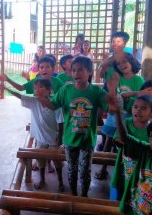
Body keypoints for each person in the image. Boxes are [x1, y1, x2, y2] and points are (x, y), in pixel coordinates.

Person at [38, 56, 108, 197]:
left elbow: (108, 108)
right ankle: (74, 195)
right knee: (72, 170)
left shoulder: (96, 91)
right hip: (70, 140)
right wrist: (41, 98)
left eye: (80, 70)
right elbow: (53, 105)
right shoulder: (66, 90)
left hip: (87, 140)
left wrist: (113, 96)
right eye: (73, 70)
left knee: (85, 171)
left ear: (90, 72)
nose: (76, 73)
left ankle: (83, 196)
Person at [5, 78, 65, 191]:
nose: (37, 89)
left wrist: (60, 139)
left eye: (41, 87)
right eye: (35, 87)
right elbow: (20, 96)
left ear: (49, 91)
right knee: (40, 160)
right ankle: (42, 180)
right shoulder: (33, 101)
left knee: (57, 161)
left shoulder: (54, 104)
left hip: (53, 138)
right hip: (40, 138)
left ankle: (60, 181)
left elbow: (61, 122)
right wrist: (6, 88)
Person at [95, 52, 144, 180]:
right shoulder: (118, 77)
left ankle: (125, 172)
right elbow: (114, 93)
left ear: (132, 62)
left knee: (125, 143)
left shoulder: (138, 80)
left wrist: (127, 96)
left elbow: (139, 97)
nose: (122, 65)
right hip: (115, 114)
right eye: (119, 63)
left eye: (125, 61)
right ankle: (103, 168)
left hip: (129, 116)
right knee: (108, 141)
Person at [108, 95, 152, 200]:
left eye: (143, 108)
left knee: (135, 203)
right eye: (135, 107)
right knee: (114, 201)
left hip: (141, 177)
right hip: (121, 172)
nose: (138, 110)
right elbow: (121, 140)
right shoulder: (126, 123)